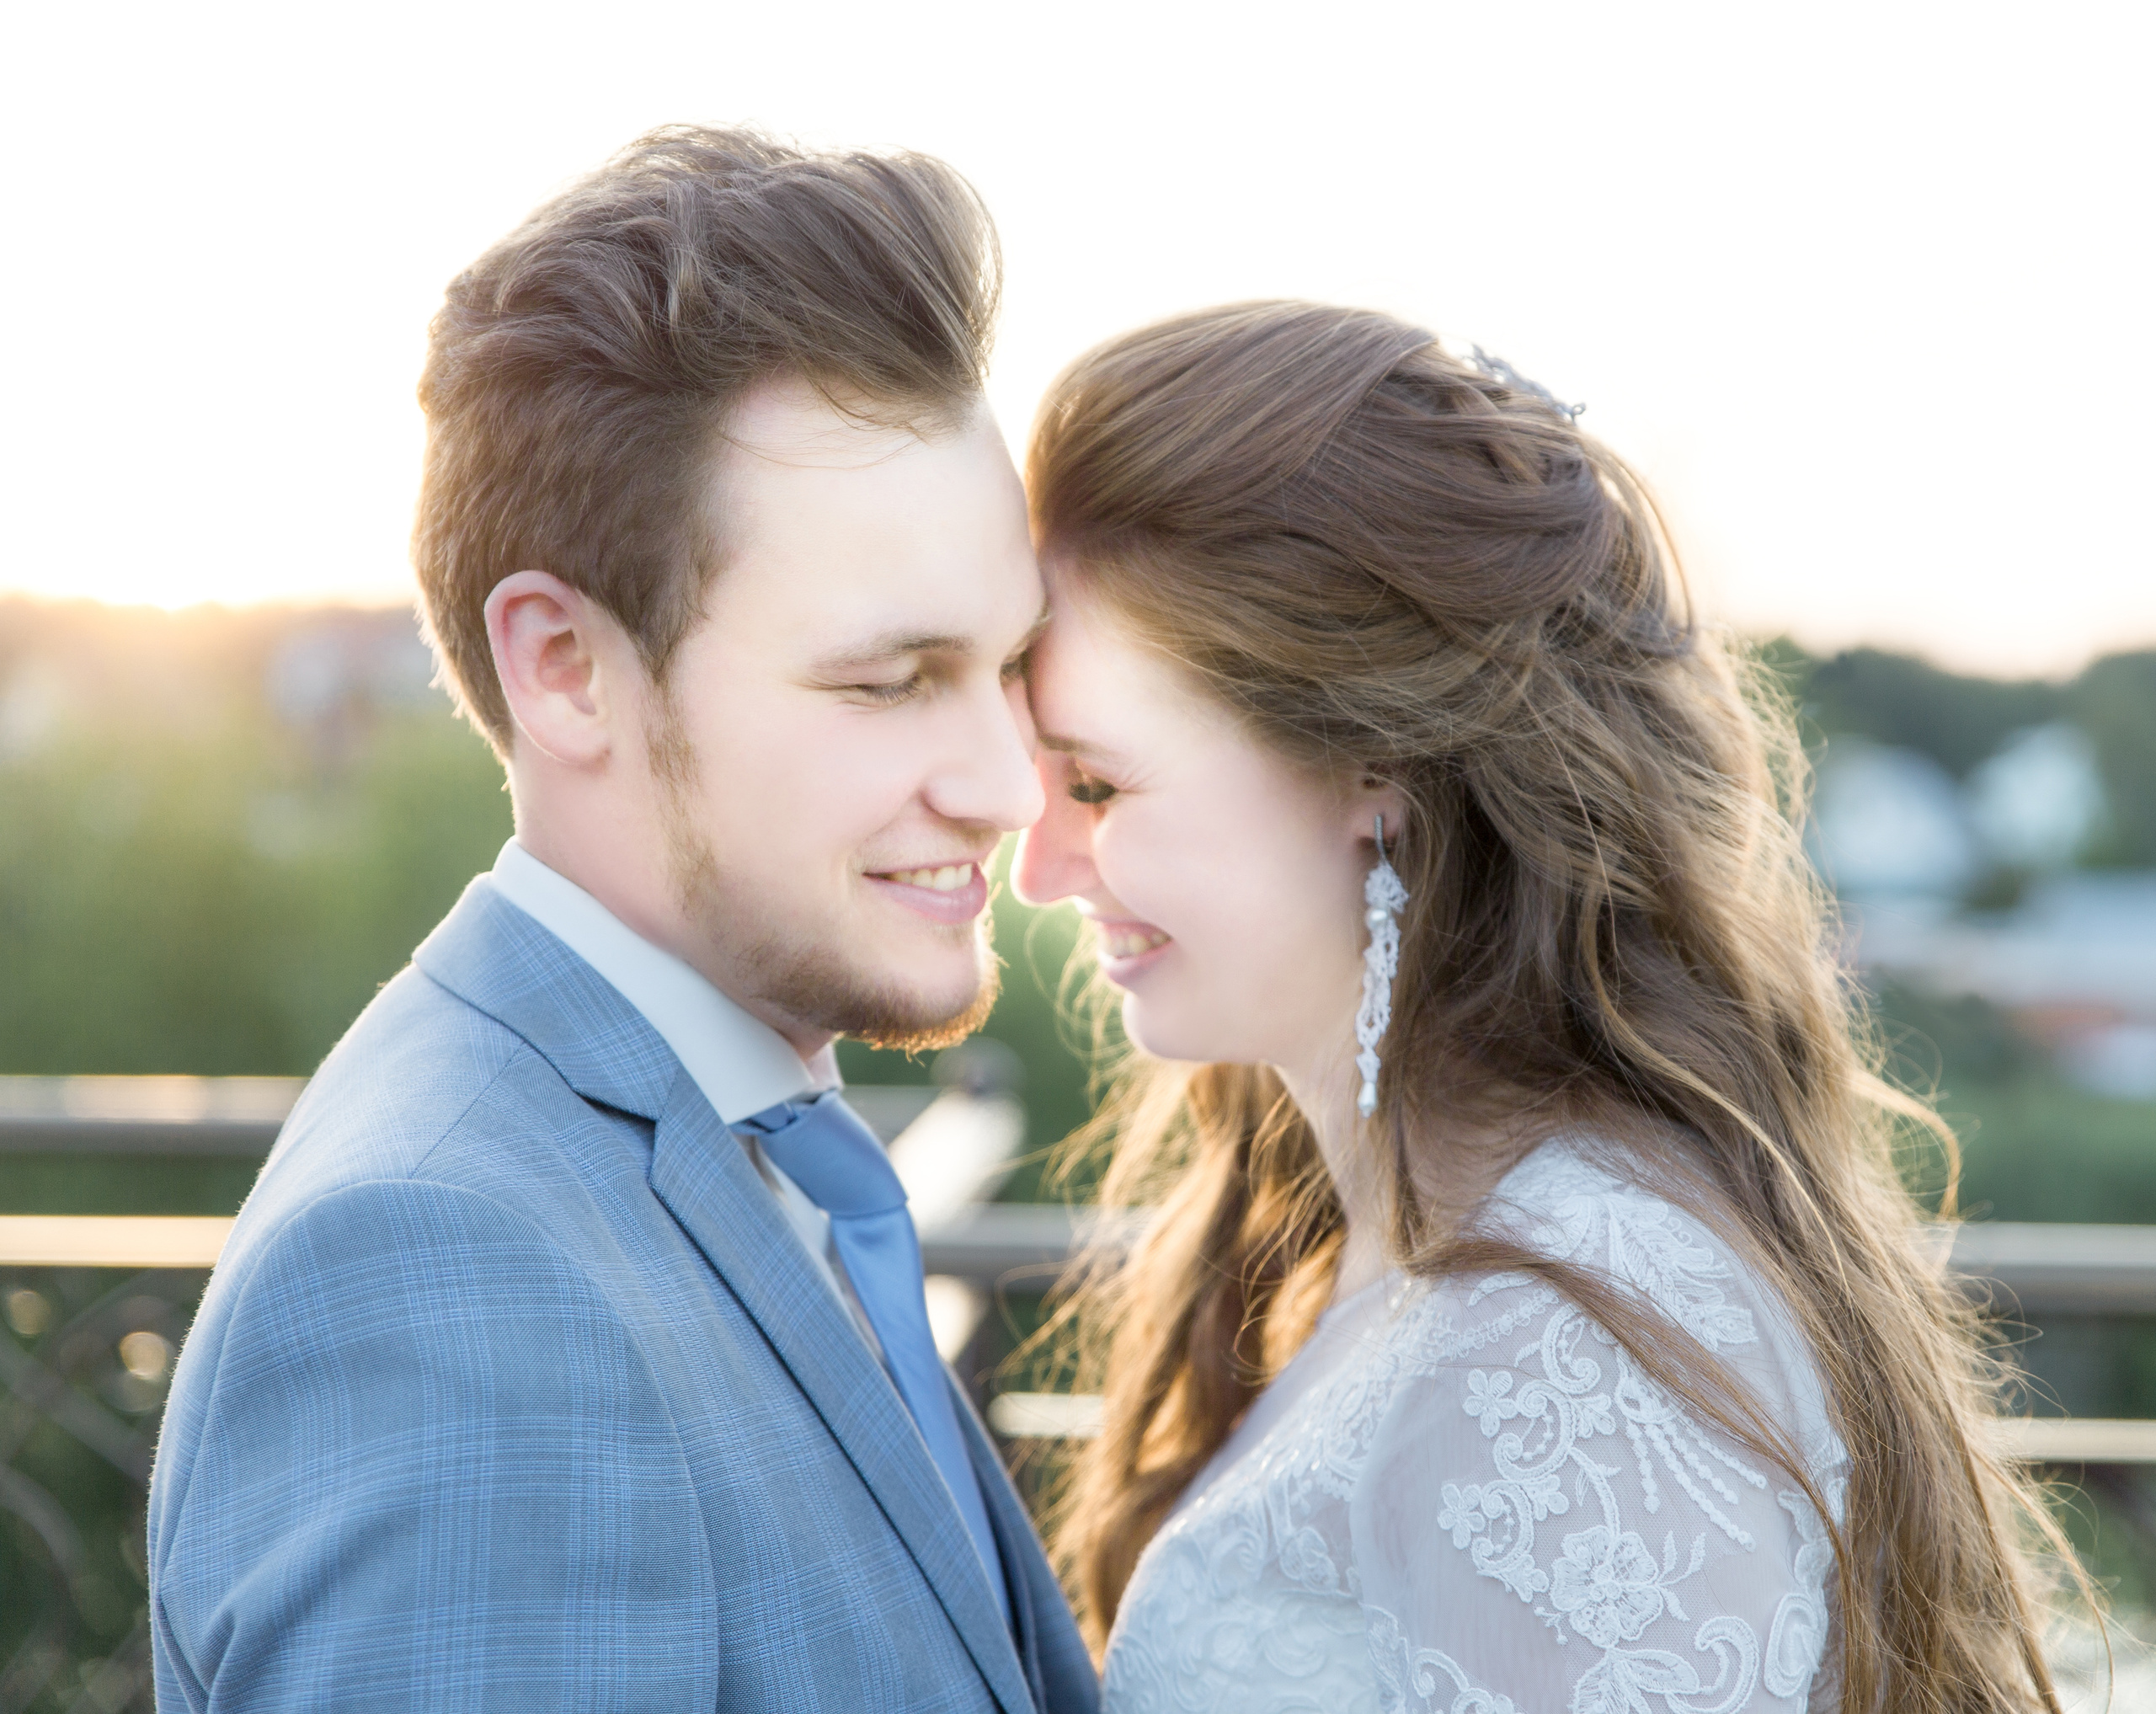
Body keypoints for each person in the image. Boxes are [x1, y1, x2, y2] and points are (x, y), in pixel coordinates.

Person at [148, 126, 1095, 1714]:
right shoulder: (447, 1285)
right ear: (566, 668)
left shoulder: (729, 1136)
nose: (1011, 786)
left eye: (1009, 669)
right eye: (888, 681)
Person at [1012, 302, 2070, 1712]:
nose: (1036, 865)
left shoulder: (1565, 1352)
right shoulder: (1416, 1242)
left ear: (1369, 767)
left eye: (1097, 784)